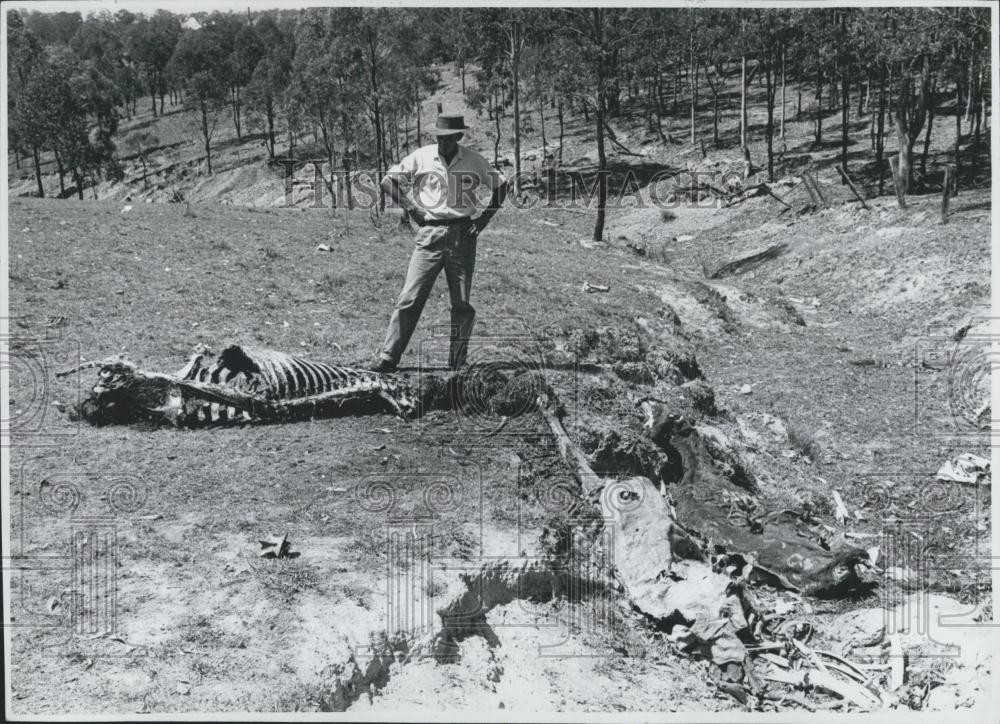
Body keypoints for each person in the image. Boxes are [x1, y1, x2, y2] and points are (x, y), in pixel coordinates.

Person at [371, 114, 508, 373]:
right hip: (429, 235)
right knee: (410, 297)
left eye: (448, 138)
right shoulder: (422, 156)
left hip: (463, 236)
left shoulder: (473, 160)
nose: (443, 143)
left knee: (462, 304)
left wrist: (483, 220)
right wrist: (412, 208)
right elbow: (387, 181)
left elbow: (502, 185)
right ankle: (388, 357)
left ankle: (457, 363)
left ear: (459, 136)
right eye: (439, 138)